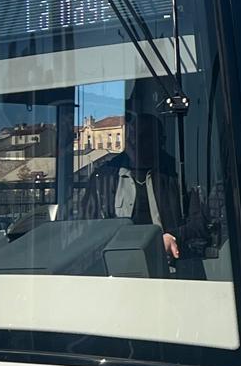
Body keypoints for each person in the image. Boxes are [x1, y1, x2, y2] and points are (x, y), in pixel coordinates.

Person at [74, 111, 183, 259]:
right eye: (131, 136)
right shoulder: (103, 177)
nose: (136, 142)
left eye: (145, 137)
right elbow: (84, 226)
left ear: (160, 142)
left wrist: (173, 237)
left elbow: (201, 220)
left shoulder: (177, 174)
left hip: (168, 262)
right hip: (112, 263)